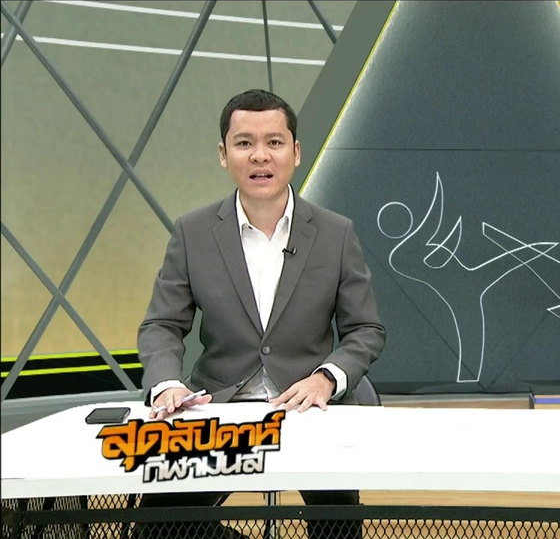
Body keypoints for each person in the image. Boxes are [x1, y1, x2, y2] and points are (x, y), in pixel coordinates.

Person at [136, 88, 386, 539]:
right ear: (223, 154)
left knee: (338, 530)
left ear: (295, 152)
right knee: (157, 527)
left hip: (311, 406)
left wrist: (326, 379)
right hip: (220, 406)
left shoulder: (335, 233)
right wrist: (167, 384)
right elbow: (162, 324)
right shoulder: (193, 233)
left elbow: (365, 329)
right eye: (244, 143)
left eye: (274, 142)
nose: (259, 156)